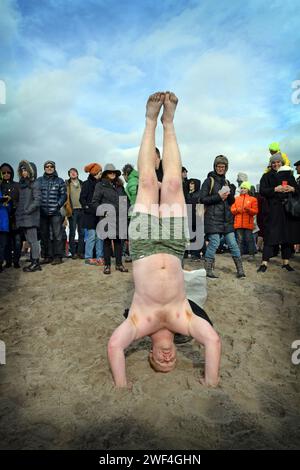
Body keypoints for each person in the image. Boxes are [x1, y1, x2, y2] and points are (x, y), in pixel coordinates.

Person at [107, 92, 221, 388]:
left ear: (151, 356)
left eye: (160, 362)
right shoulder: (183, 320)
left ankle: (149, 120)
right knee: (171, 182)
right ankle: (168, 122)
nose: (167, 359)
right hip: (173, 245)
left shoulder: (138, 325)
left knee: (146, 181)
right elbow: (212, 340)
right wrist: (211, 382)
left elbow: (115, 347)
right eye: (171, 363)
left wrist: (122, 384)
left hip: (143, 246)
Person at [200, 155, 245, 278]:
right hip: (213, 218)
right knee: (214, 243)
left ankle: (240, 270)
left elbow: (231, 202)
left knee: (233, 244)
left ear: (226, 168)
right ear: (215, 167)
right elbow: (202, 199)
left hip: (226, 219)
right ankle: (208, 270)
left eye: (223, 167)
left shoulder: (227, 182)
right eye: (218, 166)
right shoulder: (209, 181)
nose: (220, 169)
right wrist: (218, 197)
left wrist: (230, 193)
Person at [257, 153, 300, 272]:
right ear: (270, 164)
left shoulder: (289, 175)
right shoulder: (266, 176)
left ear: (282, 163)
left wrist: (292, 189)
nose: (276, 164)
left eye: (278, 162)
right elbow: (262, 191)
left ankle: (286, 262)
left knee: (287, 236)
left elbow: (297, 189)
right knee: (270, 235)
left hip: (286, 210)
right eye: (273, 162)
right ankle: (264, 262)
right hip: (272, 210)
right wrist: (275, 189)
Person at [92, 163, 129, 274]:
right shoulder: (100, 185)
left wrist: (126, 210)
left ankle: (119, 264)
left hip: (119, 218)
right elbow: (94, 202)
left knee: (119, 242)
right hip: (107, 218)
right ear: (106, 174)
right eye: (110, 172)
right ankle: (107, 265)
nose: (112, 174)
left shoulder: (119, 186)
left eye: (114, 172)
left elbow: (125, 201)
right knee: (107, 242)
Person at [38, 161, 67, 265]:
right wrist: (39, 206)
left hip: (55, 212)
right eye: (47, 166)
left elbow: (64, 195)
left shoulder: (60, 181)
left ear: (54, 168)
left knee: (57, 235)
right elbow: (36, 195)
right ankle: (47, 256)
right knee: (44, 235)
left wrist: (57, 205)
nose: (49, 168)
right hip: (42, 212)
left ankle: (58, 257)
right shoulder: (39, 180)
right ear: (44, 168)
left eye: (51, 166)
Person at [15, 161, 42, 272]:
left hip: (30, 216)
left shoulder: (34, 183)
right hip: (24, 217)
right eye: (22, 170)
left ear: (31, 171)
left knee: (33, 240)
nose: (23, 172)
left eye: (25, 170)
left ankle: (35, 263)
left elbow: (37, 200)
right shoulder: (22, 184)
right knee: (30, 241)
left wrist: (27, 210)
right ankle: (34, 261)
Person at [79, 163, 104, 266]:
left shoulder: (102, 183)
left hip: (100, 214)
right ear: (95, 173)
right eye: (100, 172)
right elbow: (82, 199)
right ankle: (88, 257)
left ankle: (99, 257)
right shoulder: (86, 184)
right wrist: (87, 208)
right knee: (92, 236)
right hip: (89, 215)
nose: (101, 174)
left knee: (100, 237)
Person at [231, 181, 258, 260]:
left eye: (244, 188)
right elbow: (232, 210)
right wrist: (238, 210)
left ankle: (251, 254)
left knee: (249, 239)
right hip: (238, 223)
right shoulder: (236, 199)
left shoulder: (253, 199)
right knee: (239, 240)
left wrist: (248, 209)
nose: (242, 189)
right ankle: (239, 255)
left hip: (248, 223)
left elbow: (255, 211)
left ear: (248, 189)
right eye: (241, 188)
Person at [0, 163, 21, 268]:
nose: (6, 174)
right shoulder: (0, 186)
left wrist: (12, 202)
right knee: (6, 243)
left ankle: (16, 261)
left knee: (17, 241)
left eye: (8, 172)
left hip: (16, 218)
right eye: (4, 173)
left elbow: (21, 201)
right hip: (3, 219)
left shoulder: (17, 185)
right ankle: (8, 261)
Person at [64, 168, 85, 259]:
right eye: (71, 172)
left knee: (82, 232)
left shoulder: (82, 183)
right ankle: (73, 253)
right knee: (72, 232)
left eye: (74, 172)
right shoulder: (67, 184)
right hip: (72, 211)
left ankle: (80, 252)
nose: (73, 173)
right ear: (69, 174)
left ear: (77, 173)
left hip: (82, 210)